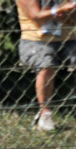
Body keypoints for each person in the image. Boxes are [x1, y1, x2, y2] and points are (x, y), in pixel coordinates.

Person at [17, 0, 76, 131]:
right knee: (46, 65)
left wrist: (69, 14)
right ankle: (45, 114)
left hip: (69, 40)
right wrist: (58, 11)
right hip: (35, 42)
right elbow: (36, 16)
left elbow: (73, 18)